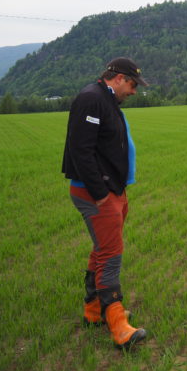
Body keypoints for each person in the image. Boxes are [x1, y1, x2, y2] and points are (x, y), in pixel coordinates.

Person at [62, 57, 148, 350]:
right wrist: (101, 195)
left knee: (102, 249)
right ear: (119, 78)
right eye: (133, 84)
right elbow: (80, 151)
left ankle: (93, 310)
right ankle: (118, 326)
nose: (134, 91)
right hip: (96, 193)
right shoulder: (91, 99)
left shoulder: (107, 101)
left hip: (113, 190)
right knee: (111, 254)